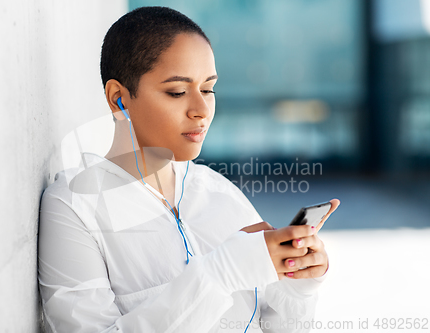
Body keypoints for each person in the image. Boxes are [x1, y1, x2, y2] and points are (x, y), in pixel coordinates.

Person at [37, 6, 339, 333]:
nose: (201, 110)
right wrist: (222, 272)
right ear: (119, 99)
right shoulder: (74, 206)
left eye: (208, 89)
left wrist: (296, 286)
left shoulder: (219, 192)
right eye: (178, 92)